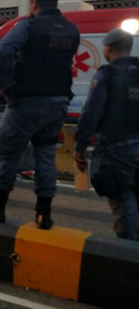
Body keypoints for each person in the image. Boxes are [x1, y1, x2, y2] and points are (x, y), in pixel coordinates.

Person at [0, 0, 80, 229]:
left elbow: (2, 52)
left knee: (6, 151)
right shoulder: (71, 29)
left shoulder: (27, 25)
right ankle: (44, 214)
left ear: (34, 2)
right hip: (58, 102)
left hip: (27, 103)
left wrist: (6, 87)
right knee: (45, 154)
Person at [74, 29, 139, 241]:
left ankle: (128, 252)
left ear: (109, 48)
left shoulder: (106, 75)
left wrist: (80, 148)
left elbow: (90, 115)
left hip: (117, 148)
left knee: (123, 198)